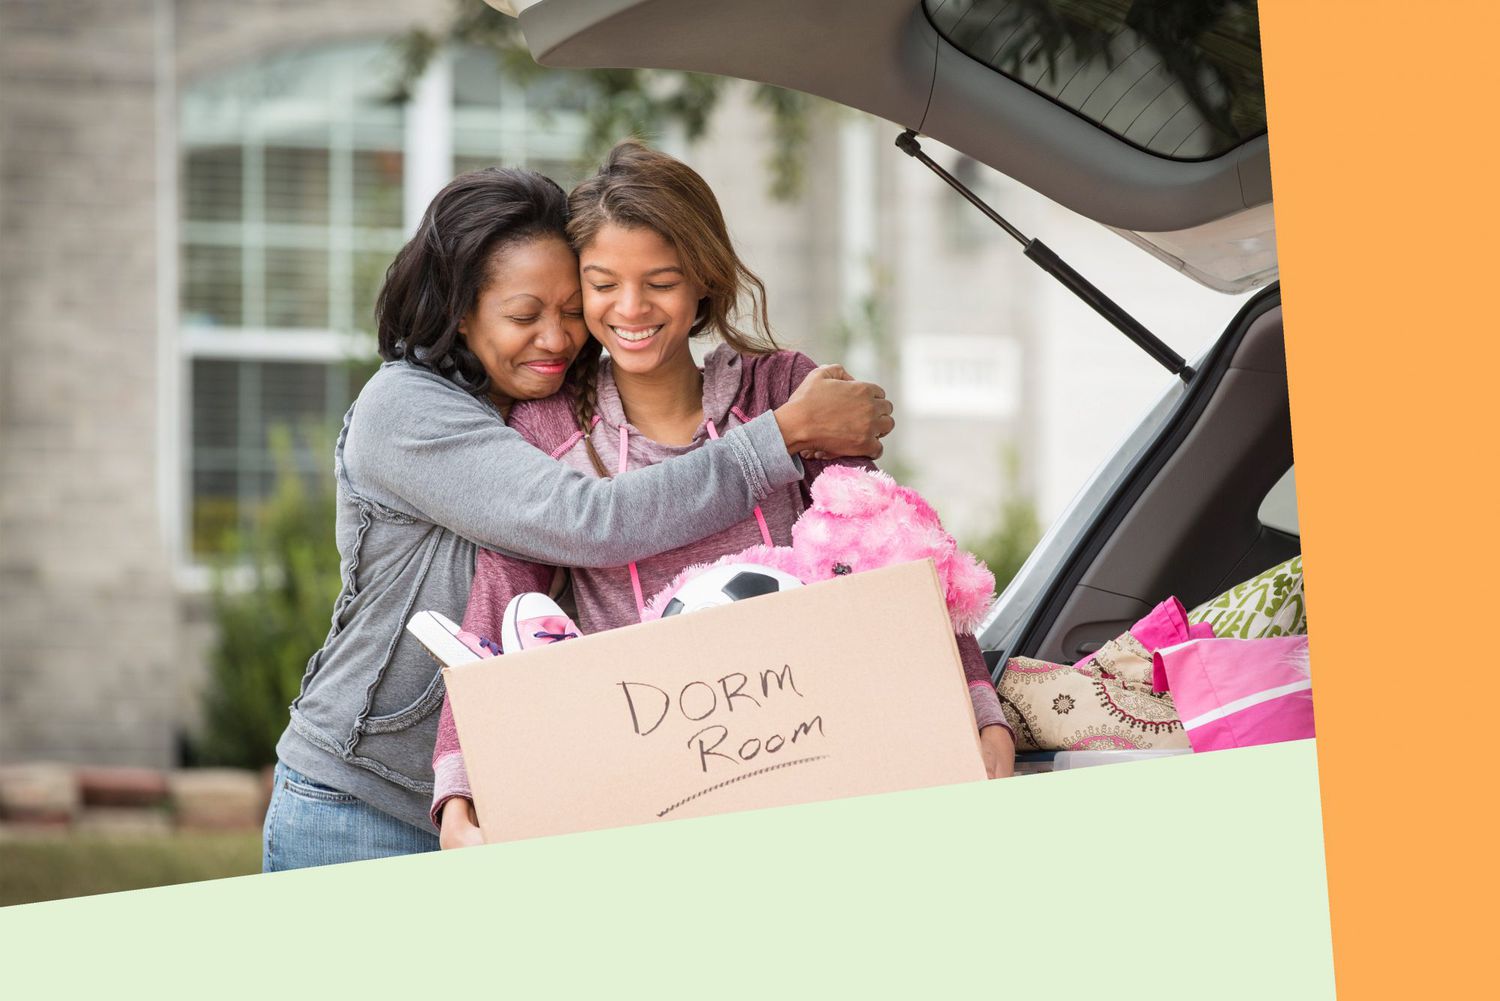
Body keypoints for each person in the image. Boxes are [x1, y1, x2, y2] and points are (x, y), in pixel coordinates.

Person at [261, 166, 894, 872]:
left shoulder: (543, 412)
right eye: (525, 315)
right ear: (461, 311)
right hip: (363, 803)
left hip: (512, 803)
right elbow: (589, 521)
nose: (556, 338)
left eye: (569, 309)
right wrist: (784, 433)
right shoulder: (407, 410)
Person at [430, 141, 1015, 849]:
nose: (631, 307)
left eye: (662, 280)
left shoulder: (782, 392)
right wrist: (458, 790)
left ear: (703, 280)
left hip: (819, 772)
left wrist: (981, 713)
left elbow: (895, 557)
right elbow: (499, 605)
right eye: (603, 282)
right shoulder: (550, 429)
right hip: (651, 797)